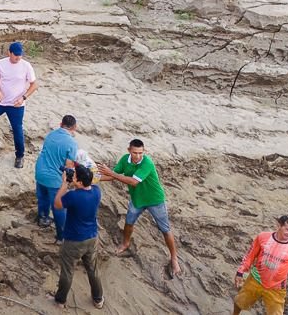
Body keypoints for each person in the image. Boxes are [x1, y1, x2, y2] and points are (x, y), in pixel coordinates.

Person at [98, 138, 182, 277]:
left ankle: (174, 258)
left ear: (144, 152)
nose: (138, 156)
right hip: (137, 200)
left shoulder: (147, 163)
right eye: (135, 152)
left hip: (155, 200)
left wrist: (111, 173)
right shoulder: (125, 159)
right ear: (129, 150)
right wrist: (93, 177)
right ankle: (125, 244)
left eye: (140, 153)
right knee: (129, 222)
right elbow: (112, 176)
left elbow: (133, 182)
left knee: (165, 229)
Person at [53, 164, 103, 309]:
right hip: (92, 237)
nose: (72, 177)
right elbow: (88, 184)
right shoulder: (96, 191)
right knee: (92, 269)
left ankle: (60, 300)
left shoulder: (73, 196)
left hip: (74, 240)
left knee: (68, 271)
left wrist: (65, 183)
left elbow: (57, 204)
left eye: (75, 176)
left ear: (80, 182)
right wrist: (74, 180)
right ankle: (98, 299)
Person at [233, 215, 288, 315]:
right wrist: (240, 271)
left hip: (277, 287)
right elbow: (250, 256)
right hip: (255, 279)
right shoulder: (262, 237)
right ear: (278, 226)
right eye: (287, 230)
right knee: (240, 302)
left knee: (276, 313)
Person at [34, 115, 78, 240]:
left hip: (40, 172)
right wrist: (69, 182)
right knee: (58, 207)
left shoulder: (51, 135)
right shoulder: (72, 143)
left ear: (60, 124)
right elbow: (69, 166)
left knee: (42, 198)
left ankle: (42, 219)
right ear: (74, 127)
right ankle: (61, 236)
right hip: (54, 179)